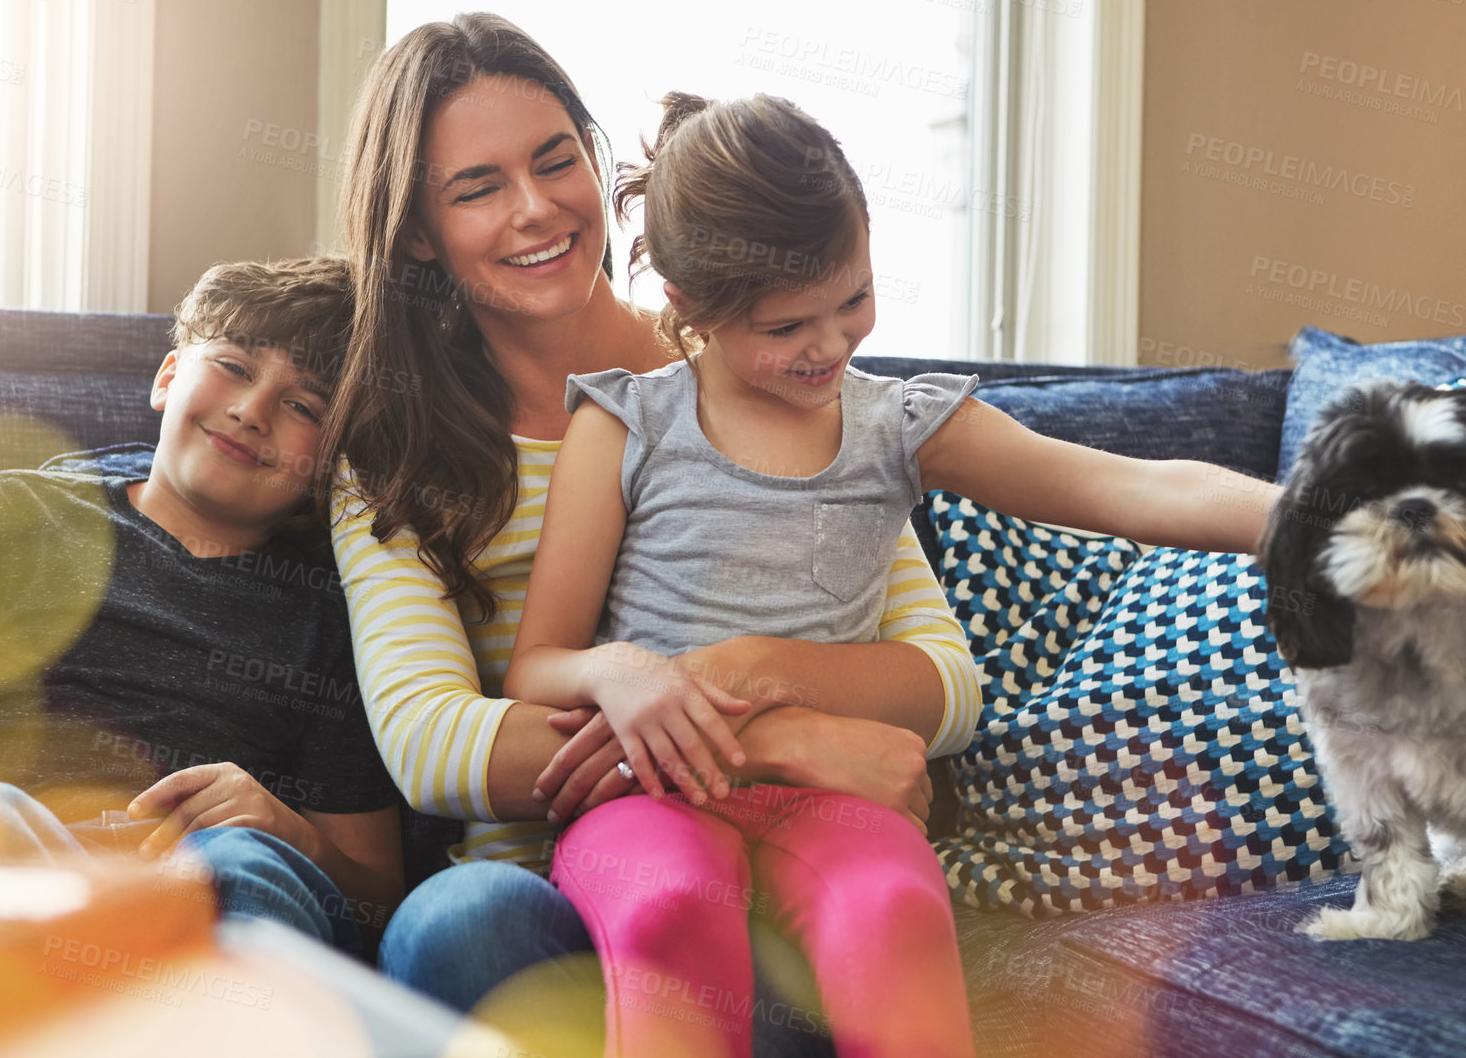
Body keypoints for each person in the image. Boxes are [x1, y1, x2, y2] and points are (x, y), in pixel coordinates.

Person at [503, 92, 1277, 1057]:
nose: (828, 346)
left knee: (895, 908)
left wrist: (1315, 519)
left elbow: (1129, 489)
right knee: (667, 910)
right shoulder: (622, 425)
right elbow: (536, 664)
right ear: (687, 307)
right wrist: (616, 670)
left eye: (853, 301)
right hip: (651, 795)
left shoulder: (901, 425)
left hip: (833, 799)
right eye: (787, 327)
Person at [321, 13, 982, 1054]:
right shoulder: (395, 456)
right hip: (542, 896)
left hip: (786, 872)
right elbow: (433, 744)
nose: (536, 209)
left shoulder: (759, 363)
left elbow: (940, 680)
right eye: (478, 187)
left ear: (601, 163)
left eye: (556, 161)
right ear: (416, 232)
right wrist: (774, 738)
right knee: (459, 923)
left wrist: (752, 672)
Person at [0, 257, 404, 959]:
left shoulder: (327, 621)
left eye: (303, 407)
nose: (251, 412)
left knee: (247, 860)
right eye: (233, 366)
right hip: (17, 874)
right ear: (167, 377)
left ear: (333, 465)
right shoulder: (16, 512)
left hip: (197, 900)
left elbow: (378, 894)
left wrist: (289, 828)